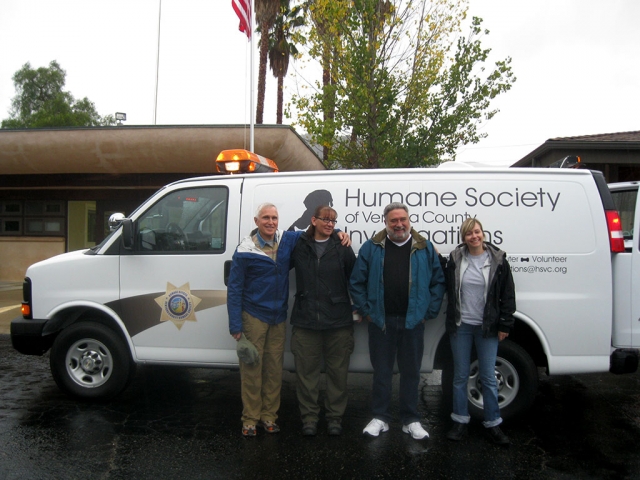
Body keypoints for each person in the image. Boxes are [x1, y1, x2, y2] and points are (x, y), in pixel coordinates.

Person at [227, 203, 350, 437]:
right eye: (265, 218)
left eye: (274, 217)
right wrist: (235, 324)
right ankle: (250, 419)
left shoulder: (287, 240)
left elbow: (318, 229)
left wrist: (338, 231)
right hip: (253, 315)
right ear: (256, 221)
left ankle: (269, 417)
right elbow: (234, 289)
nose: (271, 222)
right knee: (252, 368)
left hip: (278, 316)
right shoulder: (244, 250)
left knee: (274, 370)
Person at [349, 202, 445, 440]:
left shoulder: (424, 247)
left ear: (409, 220)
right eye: (394, 220)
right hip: (381, 322)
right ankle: (380, 418)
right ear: (386, 222)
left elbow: (438, 282)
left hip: (413, 322)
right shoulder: (372, 247)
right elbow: (356, 282)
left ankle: (410, 419)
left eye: (403, 219)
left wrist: (428, 312)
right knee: (381, 372)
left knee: (411, 373)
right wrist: (366, 310)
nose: (399, 224)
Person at [444, 217, 516, 445]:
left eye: (477, 232)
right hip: (461, 325)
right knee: (460, 376)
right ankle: (460, 421)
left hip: (487, 327)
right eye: (468, 234)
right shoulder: (456, 258)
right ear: (463, 238)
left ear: (483, 233)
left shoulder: (498, 260)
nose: (473, 236)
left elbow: (508, 294)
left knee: (488, 377)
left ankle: (493, 424)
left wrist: (505, 324)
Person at [290, 205, 357, 436]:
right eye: (325, 220)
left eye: (333, 221)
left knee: (337, 374)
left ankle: (334, 418)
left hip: (338, 322)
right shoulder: (298, 245)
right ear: (313, 220)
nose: (329, 224)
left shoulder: (343, 246)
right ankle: (309, 418)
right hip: (305, 320)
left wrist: (357, 310)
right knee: (306, 375)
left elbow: (355, 280)